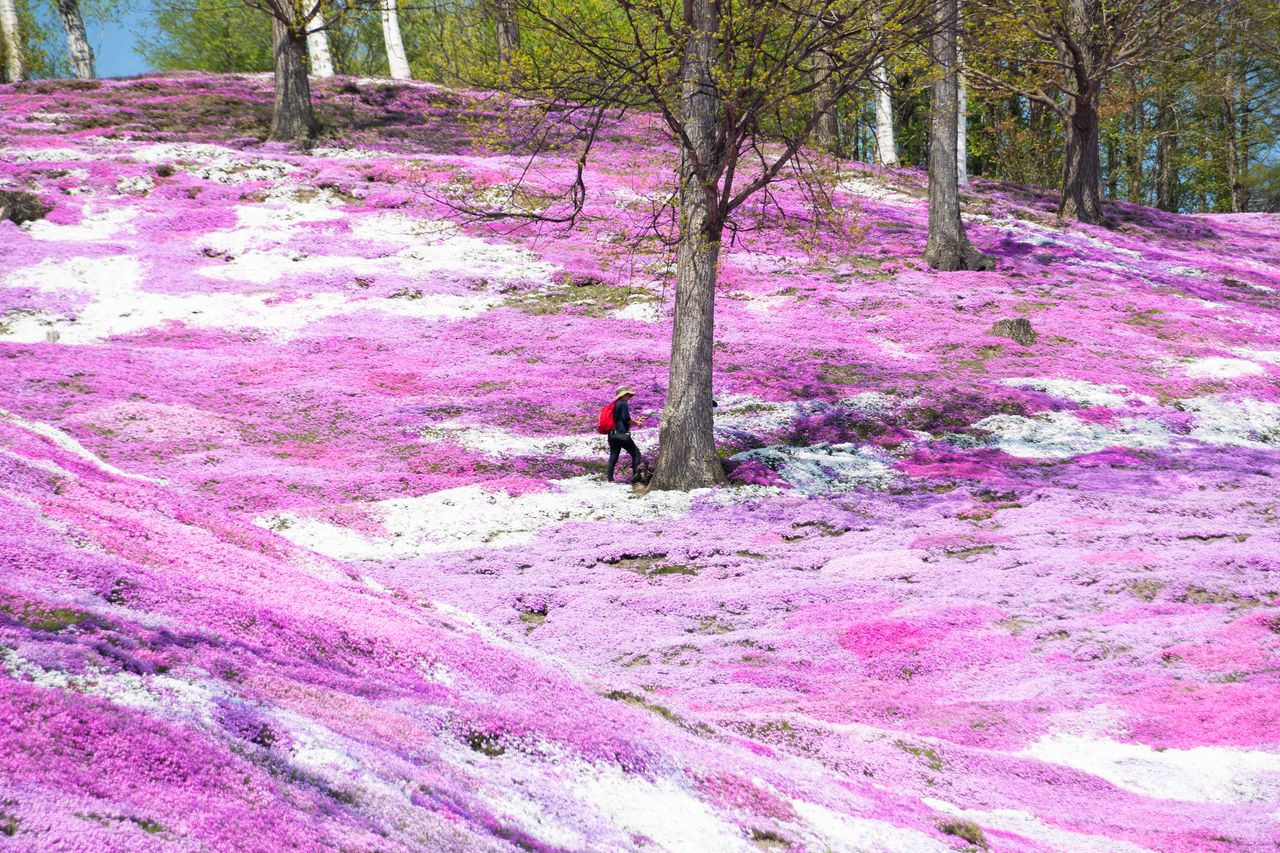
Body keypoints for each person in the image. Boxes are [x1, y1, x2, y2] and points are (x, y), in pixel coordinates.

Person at [606, 386, 645, 483]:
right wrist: (637, 423)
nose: (629, 397)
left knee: (613, 456)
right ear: (623, 395)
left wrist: (636, 421)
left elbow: (619, 420)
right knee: (636, 454)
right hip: (622, 435)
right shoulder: (623, 404)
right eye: (627, 395)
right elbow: (625, 418)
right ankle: (636, 479)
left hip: (612, 434)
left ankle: (610, 480)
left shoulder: (614, 405)